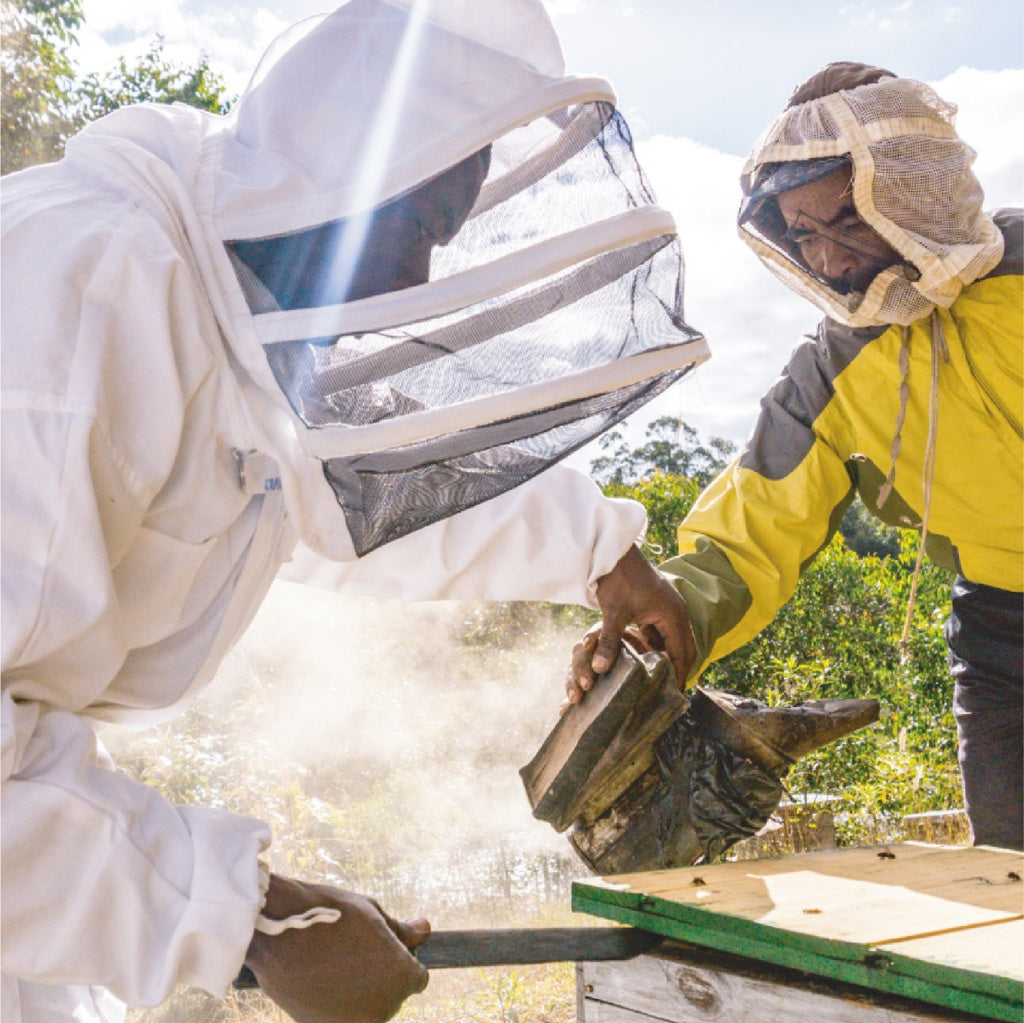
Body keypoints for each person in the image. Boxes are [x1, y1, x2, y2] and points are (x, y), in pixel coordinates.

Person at [0, 2, 704, 1020]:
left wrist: (601, 557)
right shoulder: (78, 301)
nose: (415, 278)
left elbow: (354, 484)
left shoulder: (219, 309)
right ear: (327, 173)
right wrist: (247, 914)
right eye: (416, 228)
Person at [571, 61, 1023, 852]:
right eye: (805, 235)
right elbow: (748, 538)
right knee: (1010, 886)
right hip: (1003, 637)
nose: (833, 262)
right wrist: (660, 613)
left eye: (850, 220)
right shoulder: (824, 378)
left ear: (918, 189)